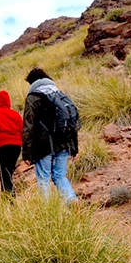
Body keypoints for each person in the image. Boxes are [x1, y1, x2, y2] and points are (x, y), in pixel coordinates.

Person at [22, 67, 78, 205]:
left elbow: (28, 127)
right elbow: (72, 121)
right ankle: (71, 200)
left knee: (43, 178)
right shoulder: (59, 93)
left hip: (43, 145)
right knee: (59, 175)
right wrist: (74, 147)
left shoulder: (32, 98)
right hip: (64, 142)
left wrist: (27, 153)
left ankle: (46, 212)